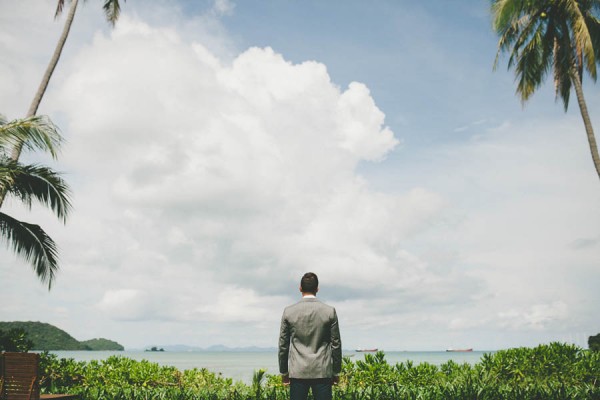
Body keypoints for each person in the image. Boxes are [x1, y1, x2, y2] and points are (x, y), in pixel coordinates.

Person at [278, 272, 342, 400]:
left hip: (298, 372)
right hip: (322, 371)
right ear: (317, 289)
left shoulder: (289, 312)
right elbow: (336, 344)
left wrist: (284, 372)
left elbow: (283, 345)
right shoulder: (329, 311)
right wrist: (336, 371)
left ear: (300, 288)